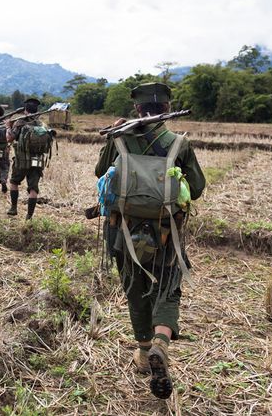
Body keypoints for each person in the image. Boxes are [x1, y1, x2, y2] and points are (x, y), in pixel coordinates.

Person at [94, 82, 206, 399]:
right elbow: (196, 189)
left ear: (137, 110)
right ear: (167, 110)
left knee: (134, 286)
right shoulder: (178, 144)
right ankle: (161, 342)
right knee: (168, 286)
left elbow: (100, 171)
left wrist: (115, 138)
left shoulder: (121, 138)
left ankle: (144, 353)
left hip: (122, 230)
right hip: (166, 232)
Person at [6, 97, 52, 219]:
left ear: (25, 110)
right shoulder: (43, 125)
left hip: (22, 160)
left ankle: (13, 208)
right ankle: (29, 216)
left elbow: (9, 138)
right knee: (33, 188)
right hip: (37, 161)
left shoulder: (20, 123)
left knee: (14, 182)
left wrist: (8, 127)